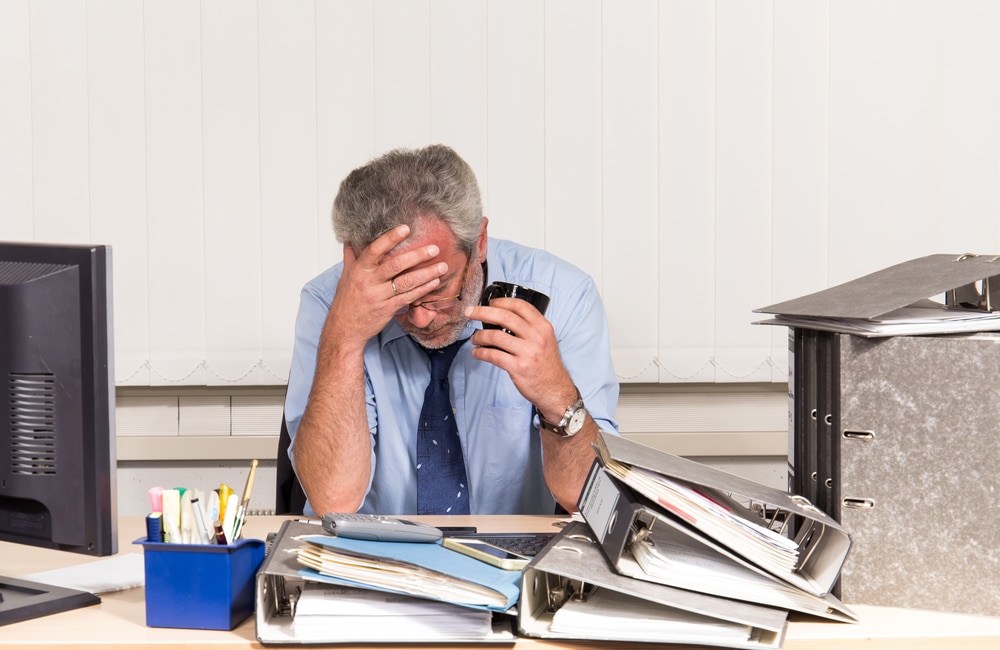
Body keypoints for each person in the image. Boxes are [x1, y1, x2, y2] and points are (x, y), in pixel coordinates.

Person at [284, 144, 619, 516]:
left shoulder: (566, 298)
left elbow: (590, 502)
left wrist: (557, 396)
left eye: (439, 290)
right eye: (399, 295)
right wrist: (344, 337)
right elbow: (334, 501)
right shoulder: (328, 303)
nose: (422, 319)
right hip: (374, 564)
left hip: (510, 564)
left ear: (479, 242)